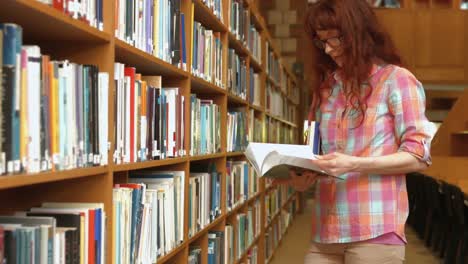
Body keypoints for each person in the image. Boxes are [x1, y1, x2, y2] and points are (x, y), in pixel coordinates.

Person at [274, 0, 436, 263]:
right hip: (326, 229)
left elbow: (418, 156)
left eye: (334, 39)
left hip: (375, 229)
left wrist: (354, 163)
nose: (328, 49)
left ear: (358, 33)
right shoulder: (325, 89)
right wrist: (299, 175)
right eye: (321, 41)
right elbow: (311, 150)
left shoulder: (397, 80)